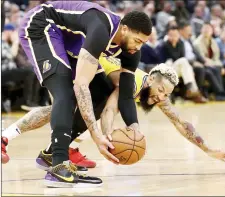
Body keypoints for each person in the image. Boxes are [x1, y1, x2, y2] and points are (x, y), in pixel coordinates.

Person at [18, 1, 152, 187]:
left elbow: (126, 95)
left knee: (103, 92)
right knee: (64, 90)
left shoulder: (131, 52)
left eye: (143, 43)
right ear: (125, 29)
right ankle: (58, 167)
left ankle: (51, 154)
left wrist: (134, 128)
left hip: (69, 42)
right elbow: (81, 85)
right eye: (137, 41)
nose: (138, 47)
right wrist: (96, 135)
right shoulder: (101, 28)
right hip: (42, 24)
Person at [3, 60, 225, 171]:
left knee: (86, 114)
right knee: (61, 110)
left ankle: (63, 149)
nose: (160, 98)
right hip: (75, 64)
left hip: (92, 81)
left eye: (165, 95)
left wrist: (208, 150)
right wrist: (106, 138)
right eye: (160, 92)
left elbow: (179, 121)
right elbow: (110, 110)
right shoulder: (135, 80)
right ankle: (6, 137)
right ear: (151, 79)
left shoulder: (151, 91)